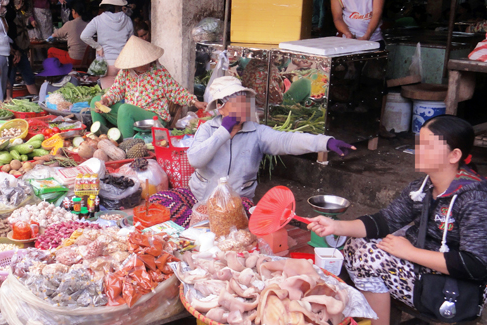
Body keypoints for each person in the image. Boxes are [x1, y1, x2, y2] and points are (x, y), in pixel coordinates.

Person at [308, 115, 487, 325]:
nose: (418, 150)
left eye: (427, 146)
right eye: (419, 143)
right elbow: (384, 221)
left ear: (454, 156)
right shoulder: (421, 188)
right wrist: (336, 227)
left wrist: (410, 252)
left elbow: (477, 265)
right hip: (424, 271)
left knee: (366, 254)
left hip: (454, 292)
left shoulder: (474, 198)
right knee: (356, 244)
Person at [147, 76, 355, 227]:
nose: (245, 107)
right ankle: (206, 224)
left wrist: (325, 142)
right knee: (159, 201)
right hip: (199, 198)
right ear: (220, 107)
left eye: (245, 102)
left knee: (259, 218)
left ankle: (209, 226)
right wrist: (222, 133)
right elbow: (195, 160)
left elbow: (287, 139)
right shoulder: (207, 129)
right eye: (237, 103)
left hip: (237, 203)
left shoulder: (257, 132)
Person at [90, 36, 206, 139]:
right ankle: (101, 139)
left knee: (125, 109)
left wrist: (195, 102)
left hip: (153, 117)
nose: (144, 64)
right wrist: (105, 100)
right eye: (140, 63)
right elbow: (116, 90)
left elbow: (176, 91)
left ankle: (126, 147)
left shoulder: (159, 72)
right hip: (130, 117)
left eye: (145, 61)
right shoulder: (125, 72)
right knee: (96, 101)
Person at [80, 0, 133, 88]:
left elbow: (84, 36)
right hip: (124, 64)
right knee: (124, 97)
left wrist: (98, 47)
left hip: (106, 64)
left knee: (108, 98)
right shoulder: (128, 20)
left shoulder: (98, 20)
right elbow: (131, 42)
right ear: (119, 3)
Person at [6, 0, 38, 98]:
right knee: (10, 78)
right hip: (12, 50)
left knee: (28, 76)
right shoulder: (9, 13)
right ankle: (7, 101)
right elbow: (10, 33)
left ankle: (36, 99)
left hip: (20, 49)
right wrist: (15, 50)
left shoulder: (20, 12)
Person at [49, 1, 89, 65]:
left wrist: (52, 36)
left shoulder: (70, 24)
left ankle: (53, 72)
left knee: (50, 51)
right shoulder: (88, 24)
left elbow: (57, 33)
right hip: (88, 59)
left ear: (74, 11)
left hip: (74, 59)